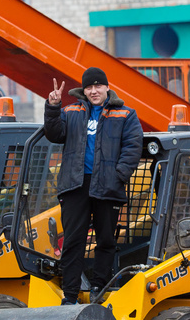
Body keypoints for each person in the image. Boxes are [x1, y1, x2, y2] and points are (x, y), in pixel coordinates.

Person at [45, 67, 143, 305]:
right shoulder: (70, 112)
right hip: (75, 185)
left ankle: (99, 287)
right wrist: (53, 107)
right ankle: (70, 295)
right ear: (84, 90)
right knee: (72, 241)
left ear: (107, 87)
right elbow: (54, 134)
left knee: (106, 240)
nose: (94, 90)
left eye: (98, 86)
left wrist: (118, 175)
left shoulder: (125, 115)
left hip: (107, 186)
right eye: (89, 87)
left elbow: (133, 146)